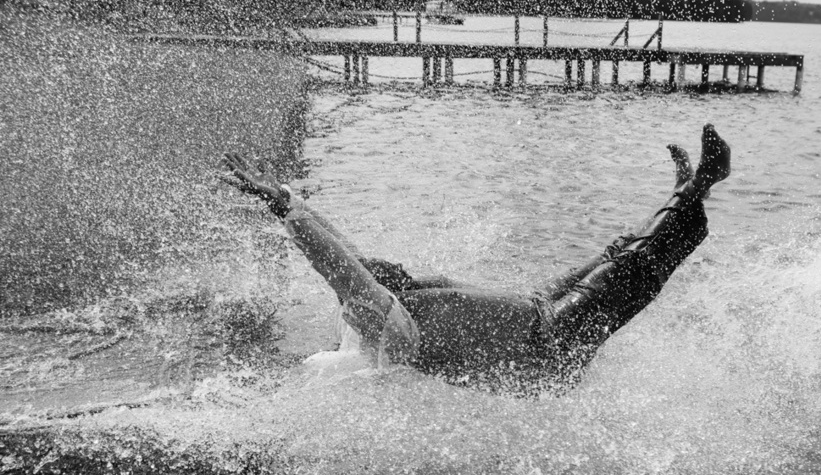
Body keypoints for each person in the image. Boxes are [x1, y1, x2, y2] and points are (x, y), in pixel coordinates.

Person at [221, 124, 731, 392]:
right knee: (632, 270)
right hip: (547, 345)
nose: (390, 268)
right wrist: (284, 209)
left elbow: (347, 255)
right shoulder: (392, 327)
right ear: (382, 292)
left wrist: (292, 199)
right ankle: (701, 186)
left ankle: (684, 193)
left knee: (615, 254)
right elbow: (342, 272)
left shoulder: (397, 303)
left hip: (536, 308)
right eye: (383, 275)